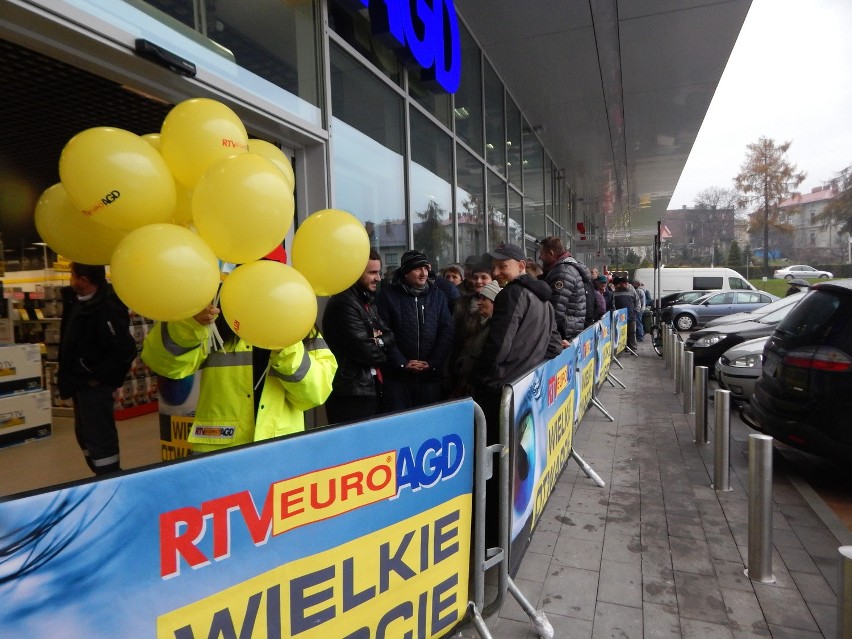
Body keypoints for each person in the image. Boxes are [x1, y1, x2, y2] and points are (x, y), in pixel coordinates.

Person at [142, 259, 337, 453]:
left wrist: (286, 344)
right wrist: (189, 324)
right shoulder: (211, 318)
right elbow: (164, 364)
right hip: (221, 455)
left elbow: (316, 394)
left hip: (279, 452)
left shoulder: (300, 325)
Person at [472, 242, 562, 548]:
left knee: (494, 469)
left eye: (503, 266)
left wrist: (482, 377)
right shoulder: (545, 301)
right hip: (523, 393)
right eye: (493, 267)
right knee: (513, 468)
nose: (497, 274)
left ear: (521, 265)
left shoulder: (513, 294)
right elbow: (552, 347)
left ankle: (490, 539)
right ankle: (505, 533)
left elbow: (499, 343)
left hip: (500, 392)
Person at [58, 262, 136, 475]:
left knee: (100, 438)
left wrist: (98, 377)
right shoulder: (76, 301)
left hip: (94, 386)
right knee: (85, 435)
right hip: (79, 384)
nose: (69, 279)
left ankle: (111, 480)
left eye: (71, 275)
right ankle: (100, 475)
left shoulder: (107, 306)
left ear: (83, 280)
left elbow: (124, 350)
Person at [375, 250, 453, 411]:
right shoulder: (387, 296)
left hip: (430, 378)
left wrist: (432, 363)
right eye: (418, 269)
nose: (424, 273)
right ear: (405, 272)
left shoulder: (438, 296)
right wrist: (402, 363)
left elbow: (446, 332)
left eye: (425, 268)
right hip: (398, 379)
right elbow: (383, 331)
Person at [322, 250, 394, 423]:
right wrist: (380, 342)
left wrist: (379, 341)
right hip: (351, 393)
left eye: (379, 272)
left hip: (367, 388)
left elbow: (390, 335)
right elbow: (366, 351)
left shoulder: (366, 301)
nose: (378, 278)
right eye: (372, 273)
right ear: (355, 273)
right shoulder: (344, 303)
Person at [451, 280, 501, 397]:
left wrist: (463, 364)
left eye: (484, 299)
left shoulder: (495, 329)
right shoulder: (484, 326)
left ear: (495, 303)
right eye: (480, 298)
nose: (479, 303)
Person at [538, 236, 592, 342]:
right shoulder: (566, 269)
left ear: (551, 254)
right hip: (570, 327)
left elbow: (556, 309)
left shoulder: (562, 272)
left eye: (542, 253)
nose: (540, 257)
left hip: (564, 332)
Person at [612, 277, 637, 349]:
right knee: (621, 333)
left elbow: (637, 302)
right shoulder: (615, 293)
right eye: (623, 283)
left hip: (631, 316)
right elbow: (613, 304)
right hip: (619, 317)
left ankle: (633, 348)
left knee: (632, 332)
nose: (625, 285)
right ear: (620, 284)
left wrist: (636, 311)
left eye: (626, 283)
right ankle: (622, 347)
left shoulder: (632, 291)